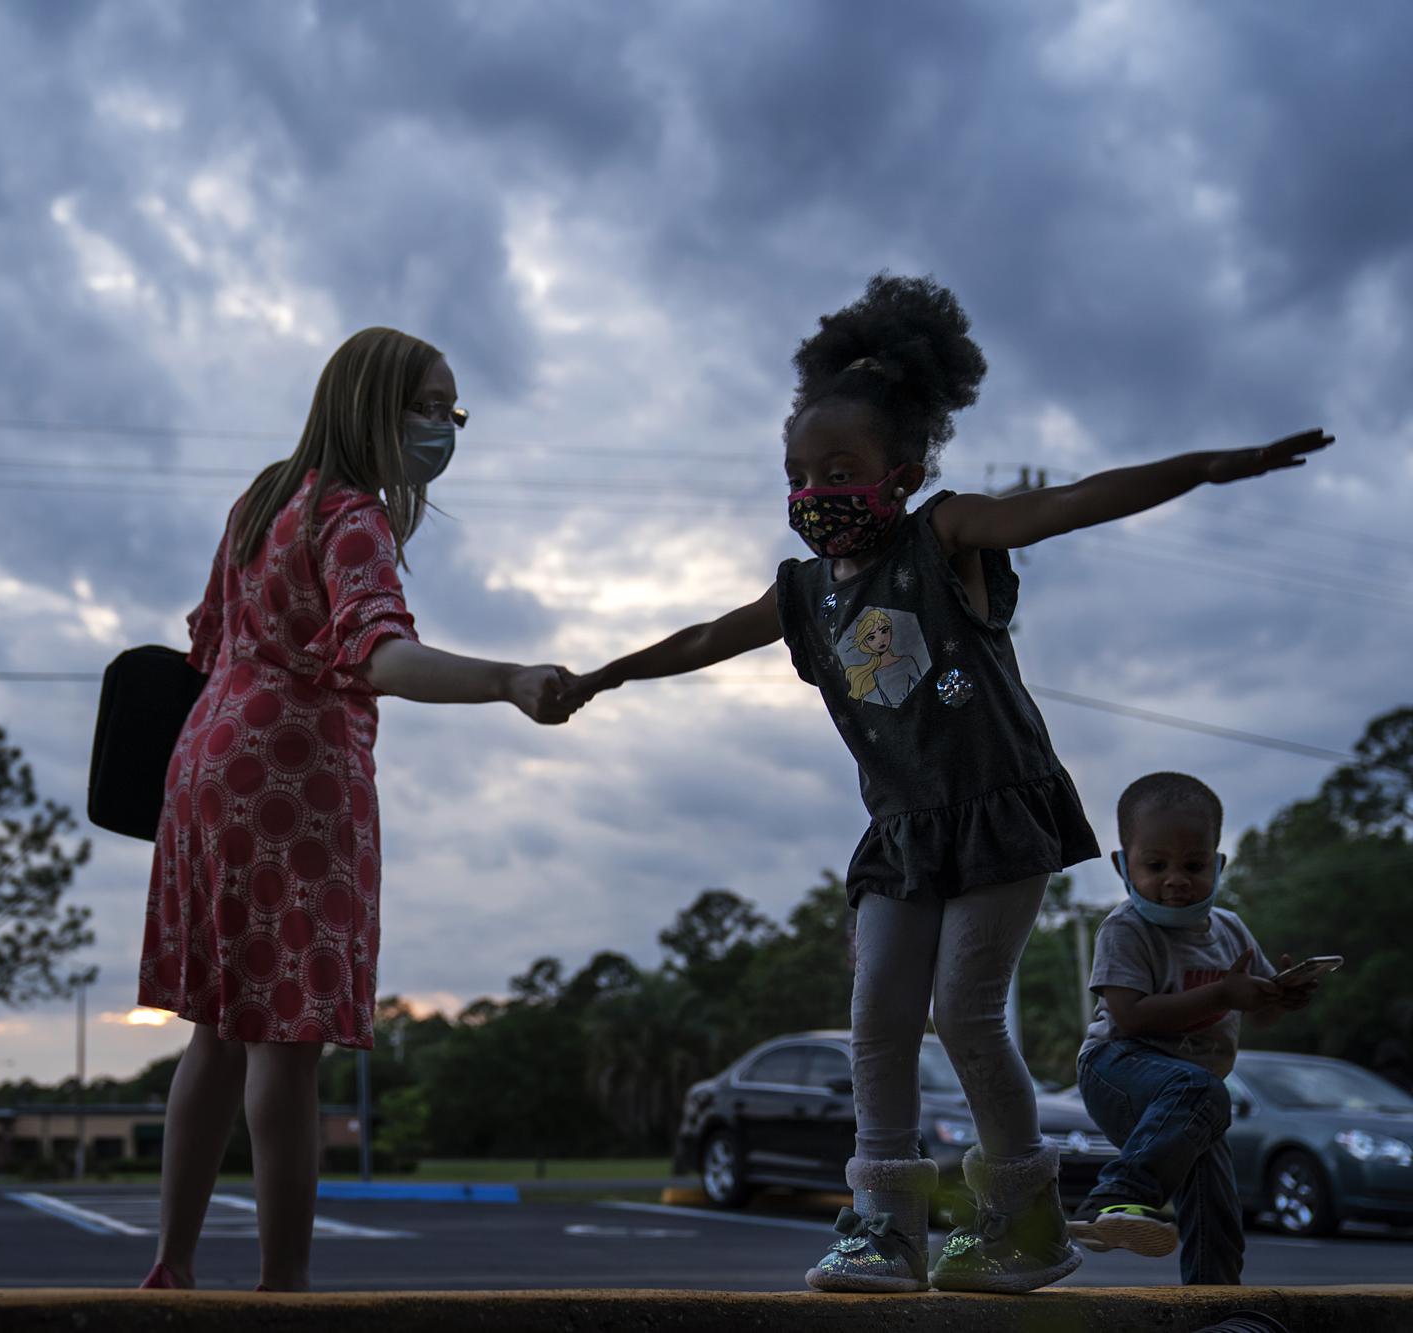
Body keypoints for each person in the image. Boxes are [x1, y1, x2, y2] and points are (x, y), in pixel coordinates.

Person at [560, 273, 1333, 1294]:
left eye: (839, 467)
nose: (814, 491)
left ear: (904, 468)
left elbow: (1064, 505)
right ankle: (884, 1226)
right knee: (877, 1017)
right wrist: (604, 672)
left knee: (965, 1019)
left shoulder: (944, 536)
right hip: (901, 833)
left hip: (997, 814)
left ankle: (1022, 1227)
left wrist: (1203, 467)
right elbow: (708, 636)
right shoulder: (799, 595)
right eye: (796, 473)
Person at [136, 327, 576, 1293]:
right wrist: (506, 677)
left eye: (453, 411)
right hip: (293, 781)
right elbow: (380, 655)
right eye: (428, 407)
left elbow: (206, 640)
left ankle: (171, 1262)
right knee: (288, 1043)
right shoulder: (352, 518)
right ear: (368, 404)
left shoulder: (261, 498)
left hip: (203, 759)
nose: (444, 428)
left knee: (215, 1030)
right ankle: (284, 1287)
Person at [1069, 772, 1318, 1284]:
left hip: (1190, 1101)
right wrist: (1224, 993)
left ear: (1219, 865)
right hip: (1116, 1070)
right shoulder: (1125, 929)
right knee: (1202, 1088)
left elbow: (1260, 1014)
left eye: (1194, 865)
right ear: (1123, 866)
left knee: (1216, 1207)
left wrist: (1282, 996)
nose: (1176, 879)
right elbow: (1130, 1016)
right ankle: (1116, 1199)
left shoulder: (1231, 931)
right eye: (1156, 865)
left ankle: (1214, 1303)